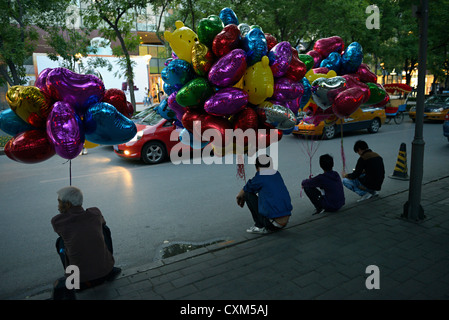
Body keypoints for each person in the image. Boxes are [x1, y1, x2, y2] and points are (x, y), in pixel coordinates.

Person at [51, 186, 121, 294]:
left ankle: (72, 274)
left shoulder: (57, 221)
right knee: (104, 229)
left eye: (59, 202)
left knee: (61, 242)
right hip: (105, 273)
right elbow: (102, 222)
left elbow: (62, 230)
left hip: (79, 282)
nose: (58, 206)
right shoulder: (95, 212)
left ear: (68, 204)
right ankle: (107, 265)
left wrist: (65, 213)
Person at [236, 154, 293, 234]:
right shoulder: (276, 174)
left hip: (272, 224)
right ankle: (269, 222)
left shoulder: (260, 177)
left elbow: (247, 188)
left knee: (247, 194)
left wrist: (239, 196)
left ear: (257, 168)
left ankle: (259, 226)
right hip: (285, 222)